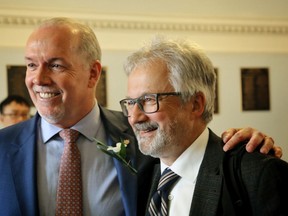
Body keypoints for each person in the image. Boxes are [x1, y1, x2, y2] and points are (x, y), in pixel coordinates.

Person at [0, 17, 281, 216]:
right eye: (31, 65)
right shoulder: (149, 155)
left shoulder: (141, 142)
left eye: (148, 100)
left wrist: (252, 148)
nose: (134, 116)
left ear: (93, 73)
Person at [120, 36, 288, 215]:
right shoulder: (136, 177)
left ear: (195, 104)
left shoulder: (257, 174)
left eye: (148, 100)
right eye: (130, 102)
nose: (134, 117)